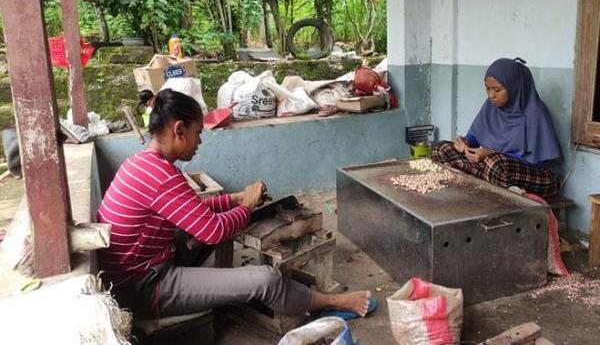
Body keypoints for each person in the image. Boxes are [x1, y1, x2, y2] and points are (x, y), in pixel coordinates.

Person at [97, 88, 372, 321]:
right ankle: (333, 302)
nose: (200, 141)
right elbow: (213, 231)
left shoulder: (141, 163)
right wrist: (248, 205)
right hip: (142, 289)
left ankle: (248, 287)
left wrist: (235, 198)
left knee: (195, 234)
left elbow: (191, 209)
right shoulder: (161, 176)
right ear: (179, 129)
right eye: (197, 132)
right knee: (266, 280)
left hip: (137, 271)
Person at [432, 57, 562, 197]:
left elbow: (537, 163)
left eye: (497, 90)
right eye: (487, 89)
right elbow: (476, 136)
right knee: (441, 148)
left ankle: (499, 192)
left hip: (535, 177)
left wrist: (489, 154)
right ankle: (478, 187)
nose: (491, 95)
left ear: (514, 88)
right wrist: (465, 142)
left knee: (494, 163)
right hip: (493, 169)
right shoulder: (491, 106)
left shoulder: (535, 112)